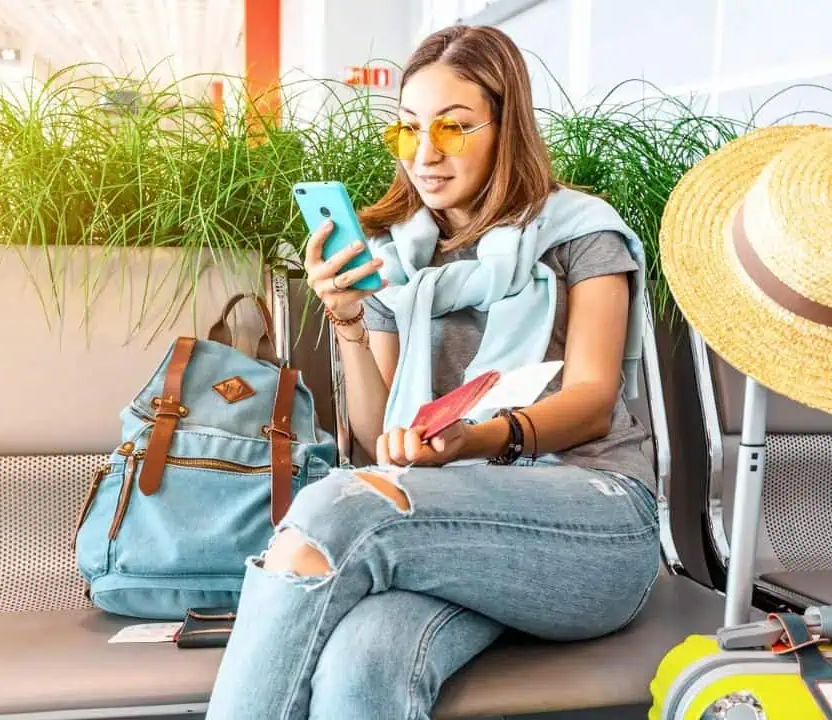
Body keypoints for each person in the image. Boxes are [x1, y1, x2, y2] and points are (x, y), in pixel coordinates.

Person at [206, 24, 660, 720]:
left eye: (453, 128)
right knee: (366, 661)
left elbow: (594, 401)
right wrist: (348, 317)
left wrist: (479, 440)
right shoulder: (399, 262)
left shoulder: (582, 233)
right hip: (447, 530)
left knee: (339, 507)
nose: (426, 155)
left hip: (591, 524)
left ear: (505, 127)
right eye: (409, 130)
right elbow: (374, 428)